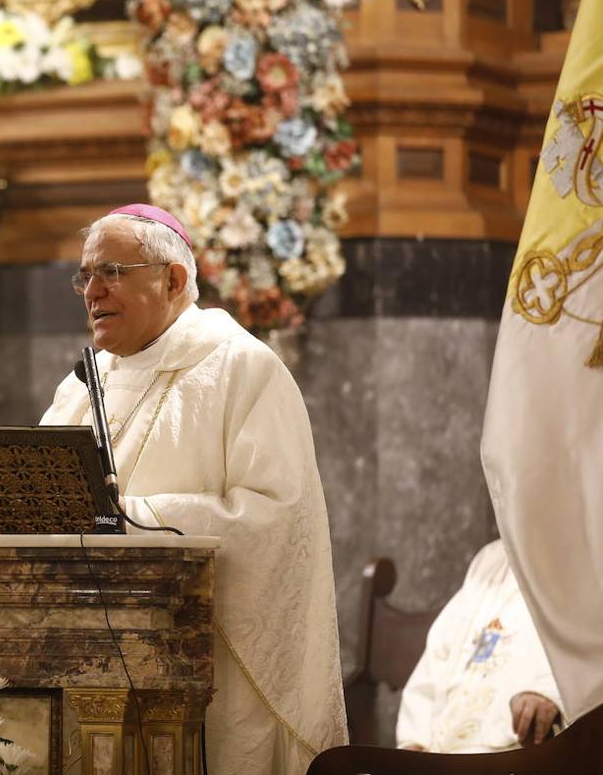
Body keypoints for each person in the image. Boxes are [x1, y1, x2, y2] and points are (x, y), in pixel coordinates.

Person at [40, 203, 346, 774]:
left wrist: (131, 519)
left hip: (206, 676)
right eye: (85, 276)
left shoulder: (243, 368)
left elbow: (276, 520)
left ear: (173, 279)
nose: (91, 291)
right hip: (85, 662)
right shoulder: (82, 386)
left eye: (111, 272)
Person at [396, 539, 563, 753]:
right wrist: (415, 740)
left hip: (517, 758)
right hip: (439, 759)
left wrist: (550, 693)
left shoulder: (591, 553)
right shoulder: (493, 557)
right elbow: (438, 653)